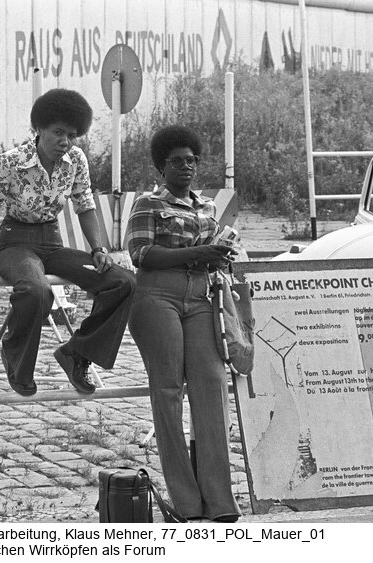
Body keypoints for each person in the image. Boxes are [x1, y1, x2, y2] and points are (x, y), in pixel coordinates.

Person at [0, 88, 135, 396]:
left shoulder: (75, 160)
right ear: (40, 129)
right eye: (58, 133)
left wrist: (98, 249)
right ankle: (16, 360)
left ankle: (77, 354)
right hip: (15, 244)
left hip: (53, 243)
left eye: (72, 135)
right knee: (36, 291)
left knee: (123, 282)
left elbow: (85, 205)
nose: (65, 141)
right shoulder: (10, 162)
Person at [126, 125, 241, 522]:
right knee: (169, 391)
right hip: (157, 297)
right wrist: (200, 251)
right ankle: (188, 503)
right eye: (177, 161)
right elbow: (141, 254)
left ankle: (220, 503)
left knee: (211, 387)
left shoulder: (207, 207)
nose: (187, 167)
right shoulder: (148, 204)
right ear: (162, 166)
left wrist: (219, 253)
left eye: (192, 160)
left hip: (201, 296)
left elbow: (213, 254)